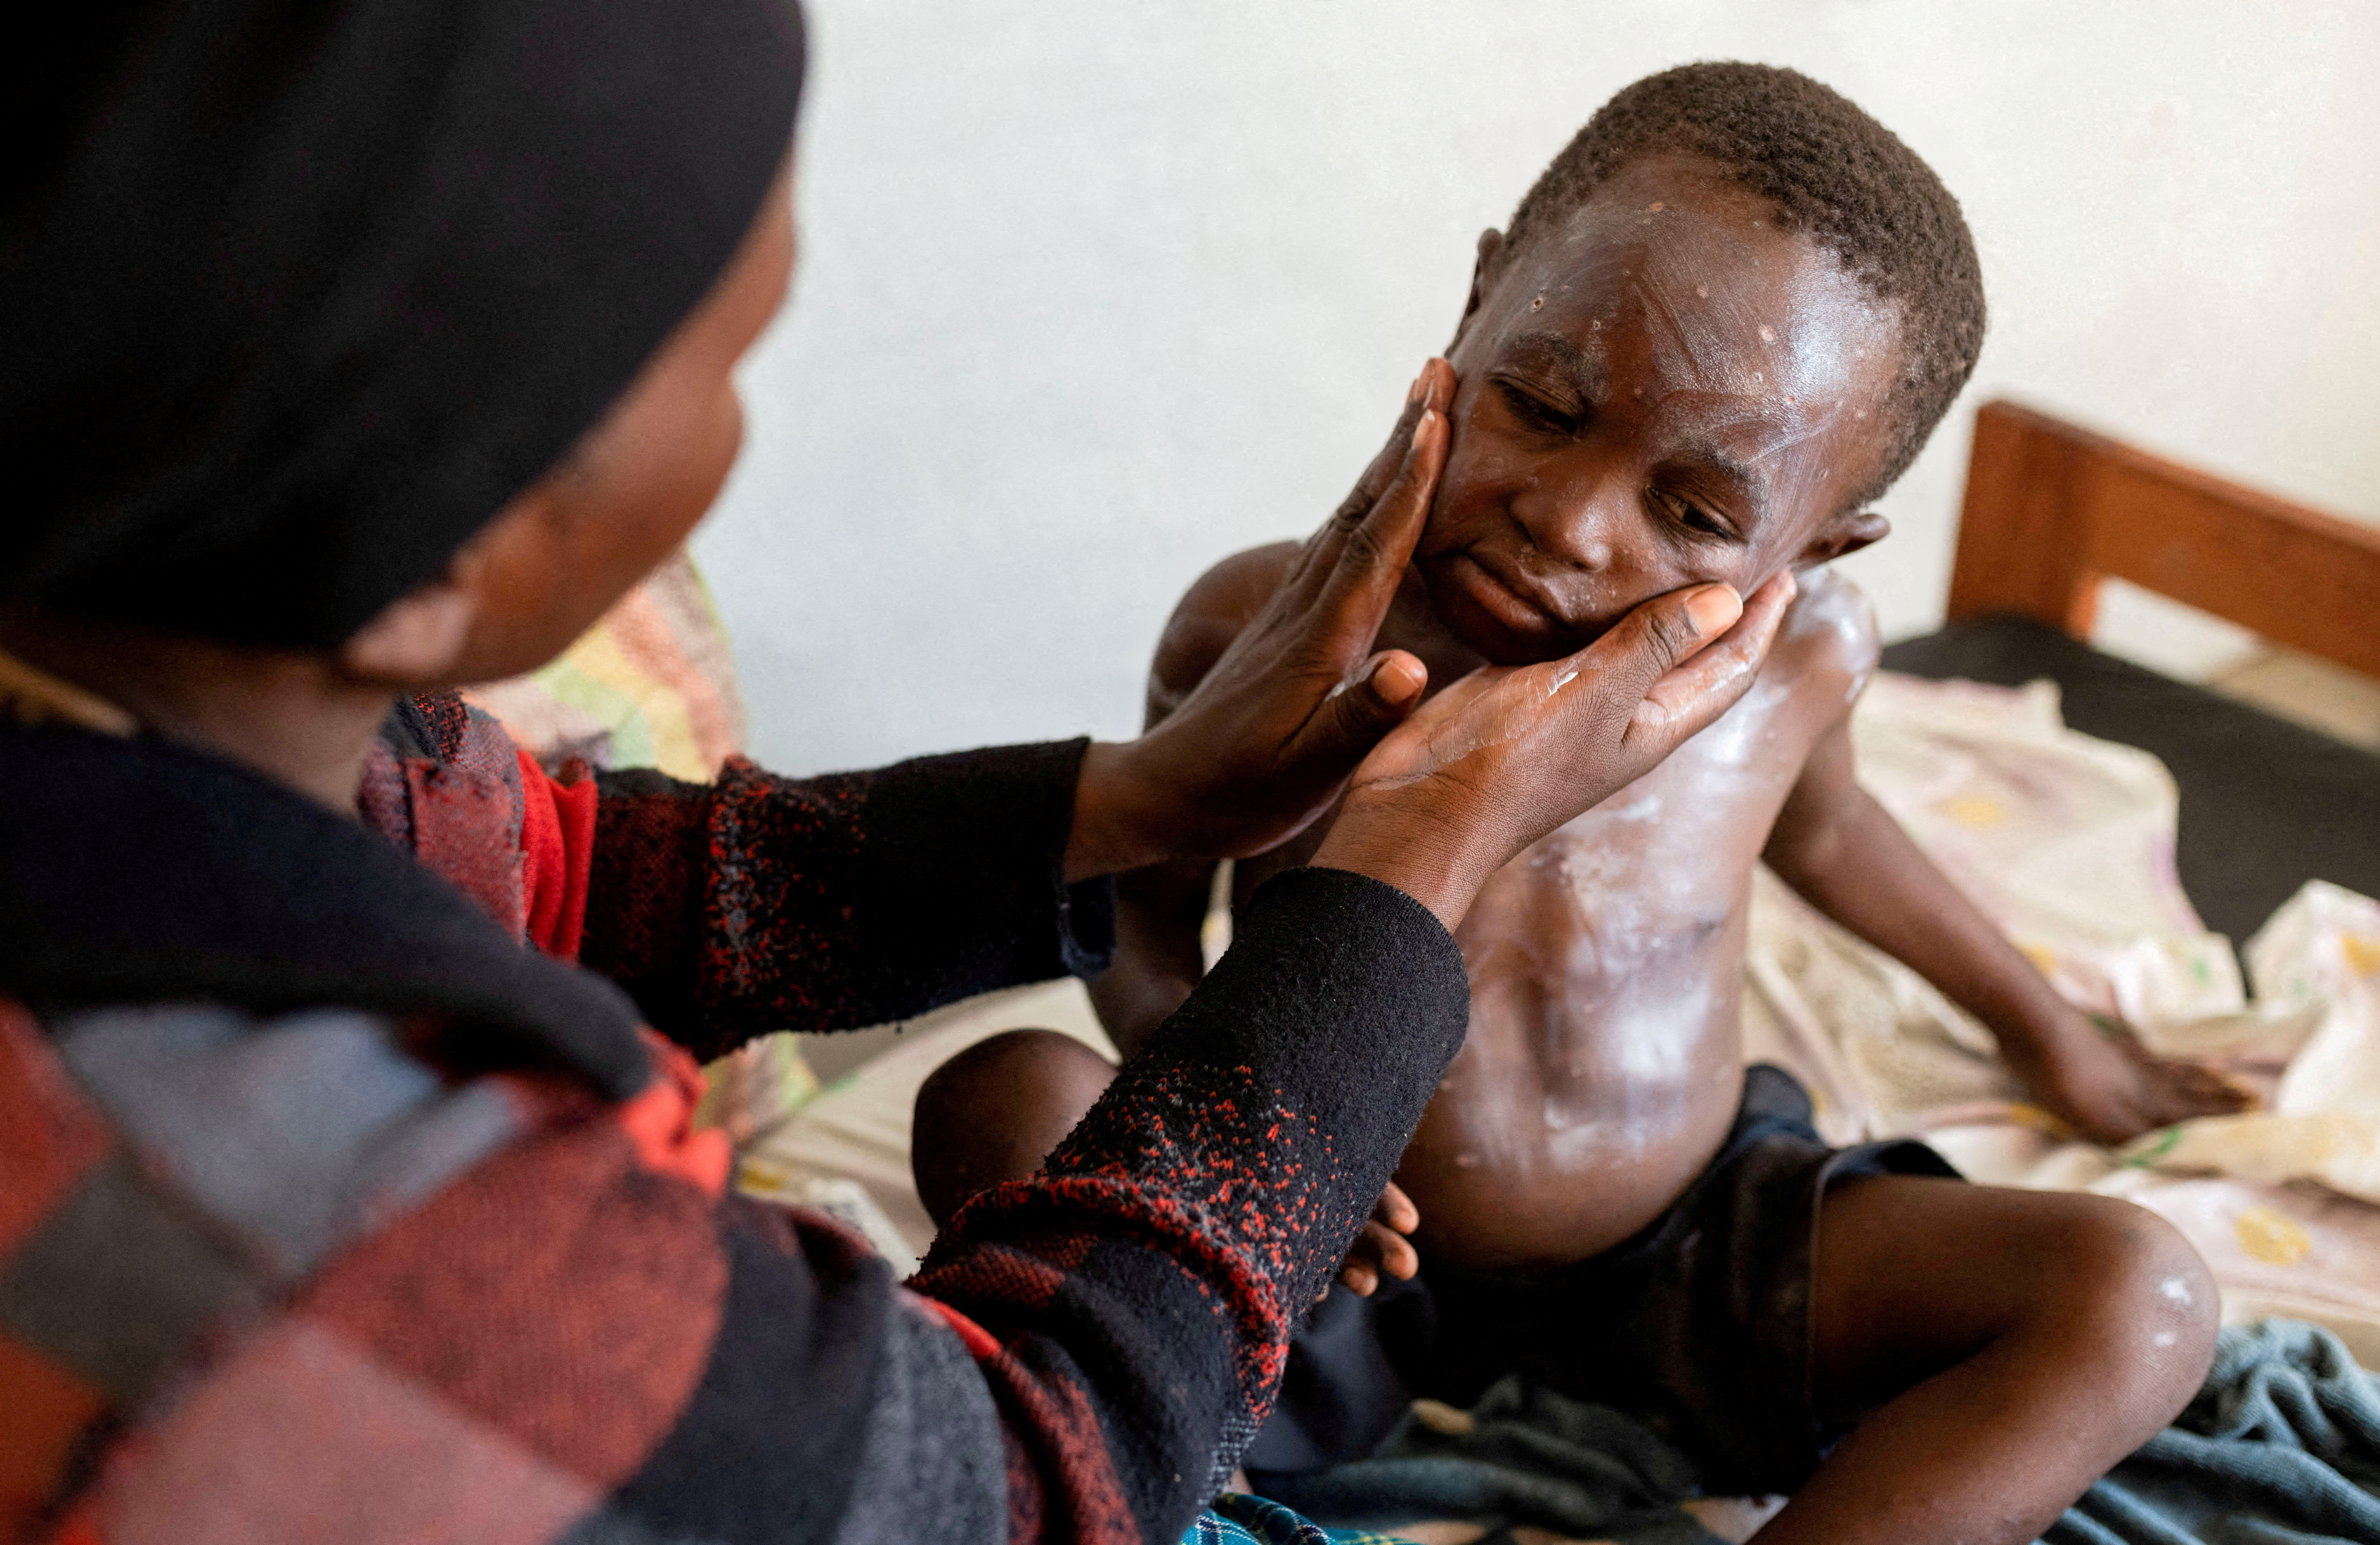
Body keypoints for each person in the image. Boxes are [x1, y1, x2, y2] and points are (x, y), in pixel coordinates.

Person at [0, 6, 1793, 1543]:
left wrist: (1142, 796)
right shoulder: (383, 1242)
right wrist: (1398, 877)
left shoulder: (161, 695)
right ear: (426, 565)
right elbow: (1024, 1485)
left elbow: (545, 871)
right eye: (729, 366)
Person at [914, 64, 2241, 1544]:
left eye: (1695, 514)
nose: (1570, 518)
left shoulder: (1802, 661)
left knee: (2141, 1298)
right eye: (1544, 405)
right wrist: (1240, 1151)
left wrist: (2045, 1030)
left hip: (1682, 1244)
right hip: (1329, 1245)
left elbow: (1836, 837)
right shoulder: (1272, 634)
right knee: (1004, 1095)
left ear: (1821, 547)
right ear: (1483, 296)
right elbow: (1140, 922)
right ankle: (1178, 1499)